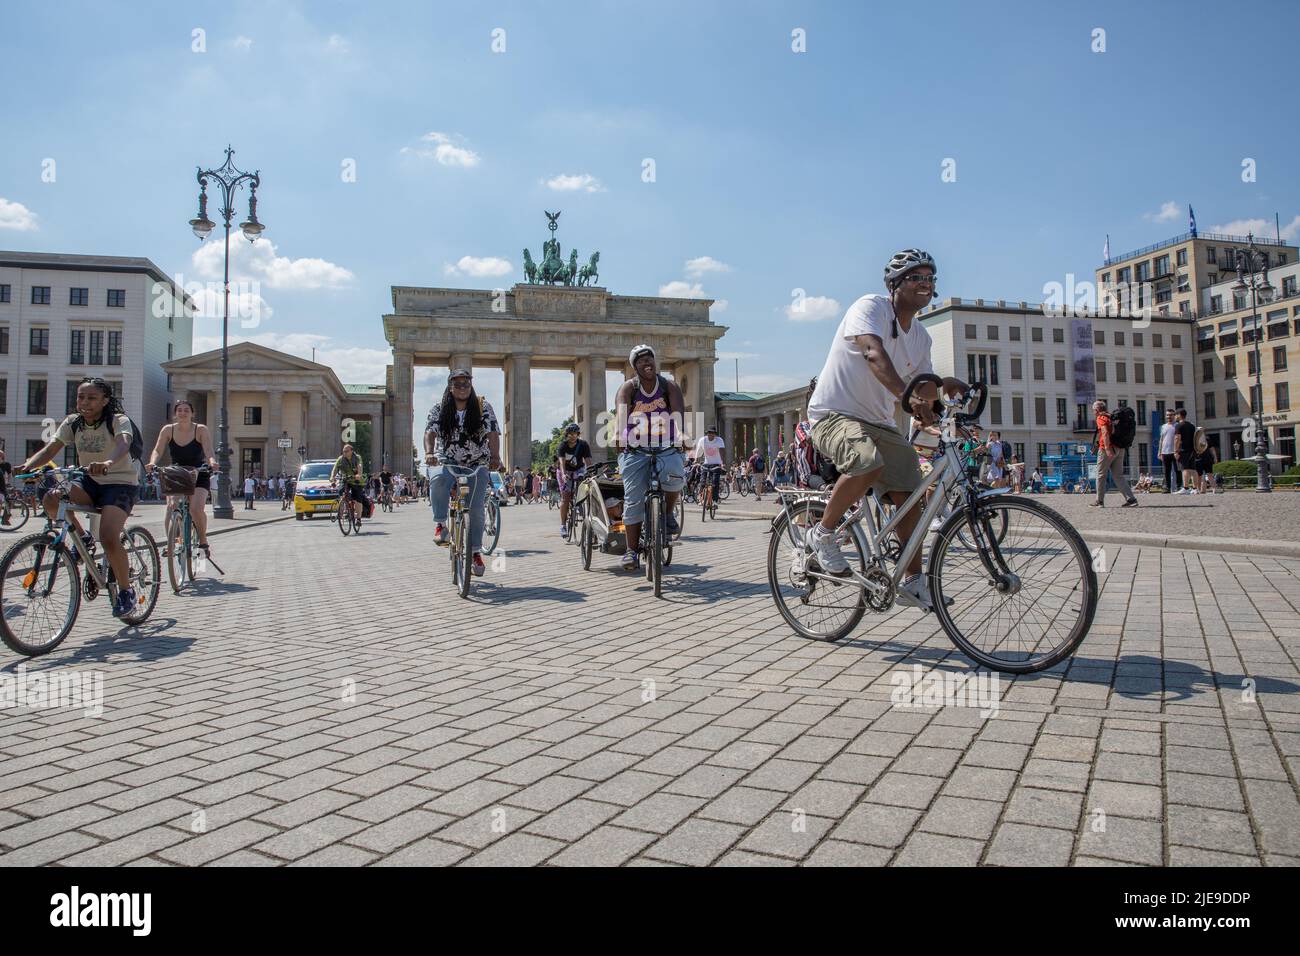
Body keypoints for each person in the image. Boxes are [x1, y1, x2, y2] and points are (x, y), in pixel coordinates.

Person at [805, 248, 966, 611]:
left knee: (912, 489)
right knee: (866, 460)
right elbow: (873, 353)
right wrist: (908, 399)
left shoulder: (921, 336)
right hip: (834, 415)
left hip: (879, 422)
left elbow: (921, 385)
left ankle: (911, 580)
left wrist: (942, 393)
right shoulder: (871, 307)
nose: (925, 284)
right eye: (916, 277)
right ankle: (823, 533)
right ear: (894, 284)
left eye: (930, 279)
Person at [19, 378, 141, 618]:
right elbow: (50, 450)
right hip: (89, 480)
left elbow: (123, 443)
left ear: (105, 400)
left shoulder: (117, 420)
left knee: (108, 536)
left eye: (91, 398)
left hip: (120, 483)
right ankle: (83, 538)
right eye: (80, 397)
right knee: (52, 499)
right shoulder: (73, 422)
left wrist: (107, 462)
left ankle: (126, 591)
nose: (84, 402)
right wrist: (27, 467)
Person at [424, 368, 502, 577]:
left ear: (471, 385)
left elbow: (493, 433)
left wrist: (495, 457)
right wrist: (429, 452)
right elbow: (430, 432)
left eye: (466, 383)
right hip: (446, 459)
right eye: (457, 384)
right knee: (438, 478)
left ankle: (475, 551)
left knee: (476, 508)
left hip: (476, 462)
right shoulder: (439, 408)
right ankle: (441, 524)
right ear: (450, 387)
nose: (462, 387)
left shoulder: (483, 407)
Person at [615, 344, 686, 571]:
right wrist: (619, 434)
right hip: (635, 448)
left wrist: (683, 435)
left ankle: (665, 515)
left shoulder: (669, 387)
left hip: (665, 444)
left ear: (656, 362)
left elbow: (678, 416)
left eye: (650, 359)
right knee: (634, 498)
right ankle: (631, 551)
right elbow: (621, 414)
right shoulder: (628, 389)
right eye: (641, 361)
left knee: (675, 474)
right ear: (635, 367)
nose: (647, 363)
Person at [145, 399, 218, 555]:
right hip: (177, 472)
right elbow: (157, 449)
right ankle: (172, 543)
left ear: (192, 413)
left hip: (199, 472)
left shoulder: (201, 429)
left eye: (186, 410)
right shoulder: (168, 430)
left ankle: (203, 540)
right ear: (175, 413)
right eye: (179, 410)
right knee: (172, 507)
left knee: (195, 509)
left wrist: (212, 462)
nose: (183, 413)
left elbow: (209, 450)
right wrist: (152, 462)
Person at [1090, 400, 1137, 508]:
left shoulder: (1101, 418)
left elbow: (1105, 432)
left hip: (1108, 449)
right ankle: (1131, 499)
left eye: (1093, 410)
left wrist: (1106, 448)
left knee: (1101, 475)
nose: (1093, 412)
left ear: (1097, 410)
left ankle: (1099, 501)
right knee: (1118, 475)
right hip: (1120, 448)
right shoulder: (1111, 417)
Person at [555, 423, 592, 540]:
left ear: (578, 434)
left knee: (584, 489)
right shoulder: (562, 446)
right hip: (565, 471)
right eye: (570, 434)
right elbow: (561, 462)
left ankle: (582, 508)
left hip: (579, 469)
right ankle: (563, 525)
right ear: (567, 435)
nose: (573, 436)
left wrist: (591, 472)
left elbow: (588, 461)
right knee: (565, 497)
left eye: (575, 433)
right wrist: (564, 474)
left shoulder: (583, 445)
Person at [693, 424, 727, 511]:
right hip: (706, 463)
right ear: (707, 433)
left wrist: (722, 463)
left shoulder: (719, 440)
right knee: (702, 481)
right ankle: (701, 498)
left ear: (715, 434)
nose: (711, 434)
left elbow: (722, 452)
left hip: (716, 464)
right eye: (709, 433)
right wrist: (696, 460)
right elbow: (698, 450)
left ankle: (715, 501)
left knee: (715, 483)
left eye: (712, 433)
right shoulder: (702, 440)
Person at [330, 444, 366, 522]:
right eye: (343, 451)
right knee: (341, 491)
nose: (344, 453)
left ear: (351, 451)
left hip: (356, 480)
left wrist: (359, 474)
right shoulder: (340, 459)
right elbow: (335, 469)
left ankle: (359, 519)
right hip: (345, 479)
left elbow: (359, 466)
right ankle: (344, 506)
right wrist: (332, 478)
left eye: (346, 451)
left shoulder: (357, 457)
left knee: (358, 499)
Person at [1173, 408, 1198, 494]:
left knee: (1184, 469)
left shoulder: (1178, 426)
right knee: (1193, 469)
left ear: (1179, 415)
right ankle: (1195, 489)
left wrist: (1175, 451)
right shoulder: (1191, 426)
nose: (1175, 417)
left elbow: (1177, 438)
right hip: (1192, 450)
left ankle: (1186, 488)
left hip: (1183, 450)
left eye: (1176, 415)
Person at [1158, 409, 1177, 492]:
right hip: (1165, 451)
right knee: (1166, 471)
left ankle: (1179, 486)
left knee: (1177, 470)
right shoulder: (1163, 426)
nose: (1169, 416)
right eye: (1167, 415)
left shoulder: (1177, 425)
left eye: (1171, 415)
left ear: (1174, 415)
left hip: (1175, 451)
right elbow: (1161, 439)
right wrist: (1159, 451)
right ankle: (1167, 487)